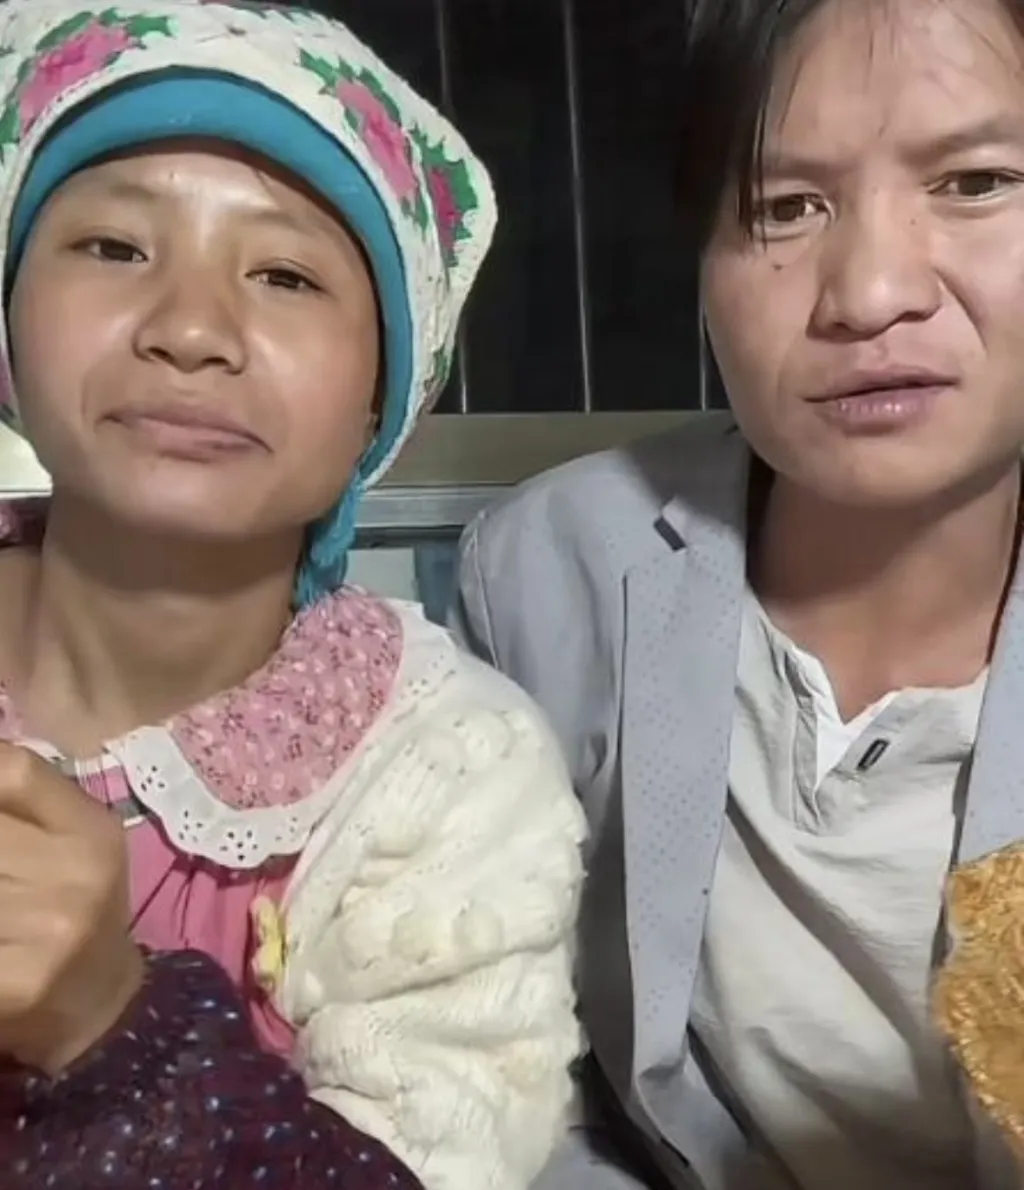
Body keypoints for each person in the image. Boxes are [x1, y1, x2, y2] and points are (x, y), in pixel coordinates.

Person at [0, 1, 587, 1187]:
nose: (191, 329)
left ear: (382, 397)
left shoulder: (445, 777)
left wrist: (113, 1028)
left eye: (284, 274)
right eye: (114, 248)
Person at [450, 0, 1024, 1186]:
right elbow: (517, 1068)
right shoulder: (551, 567)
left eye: (972, 182)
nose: (868, 291)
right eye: (785, 206)